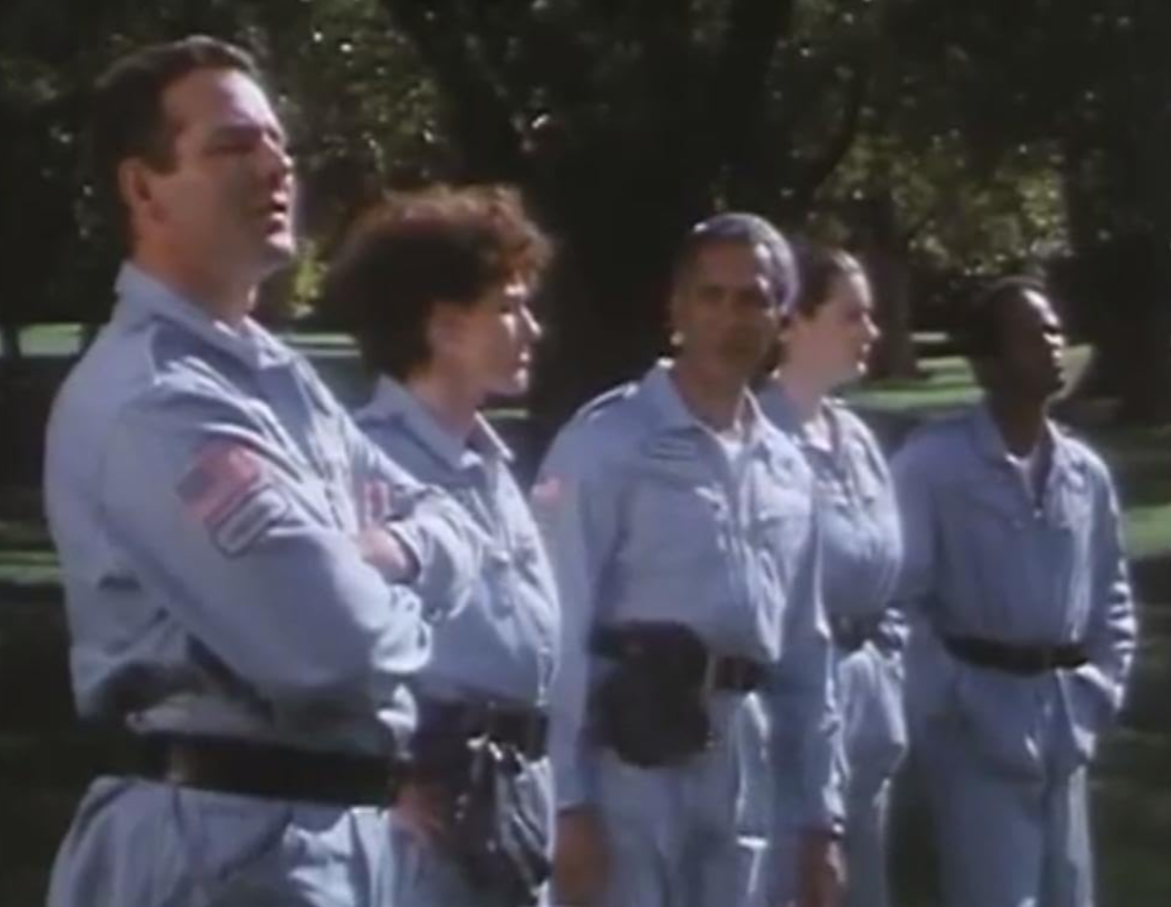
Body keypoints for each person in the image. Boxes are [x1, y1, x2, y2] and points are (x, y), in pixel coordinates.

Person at [43, 36, 486, 907]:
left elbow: (457, 525)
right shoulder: (157, 401)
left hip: (330, 835)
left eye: (278, 143)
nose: (275, 166)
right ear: (143, 188)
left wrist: (386, 551)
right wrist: (406, 584)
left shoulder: (286, 384)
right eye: (232, 146)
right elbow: (334, 650)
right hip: (221, 846)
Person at [533, 212, 843, 907]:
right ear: (676, 309)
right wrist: (568, 802)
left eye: (753, 299)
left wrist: (821, 817)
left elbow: (806, 654)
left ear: (780, 318)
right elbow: (558, 628)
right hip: (630, 760)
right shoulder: (607, 443)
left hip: (747, 758)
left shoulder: (787, 468)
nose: (731, 319)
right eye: (712, 296)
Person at [321, 185, 560, 906]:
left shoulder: (487, 463)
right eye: (508, 308)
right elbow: (323, 635)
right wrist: (389, 780)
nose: (533, 329)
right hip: (433, 809)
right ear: (445, 325)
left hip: (513, 796)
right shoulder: (368, 462)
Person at [892, 276, 1137, 907]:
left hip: (1065, 726)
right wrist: (951, 700)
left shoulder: (1084, 474)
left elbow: (1111, 592)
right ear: (989, 363)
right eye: (1032, 335)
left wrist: (1099, 690)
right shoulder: (933, 466)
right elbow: (900, 600)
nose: (1052, 345)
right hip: (976, 730)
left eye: (1055, 330)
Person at [757, 245, 905, 907]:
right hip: (791, 715)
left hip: (869, 713)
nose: (870, 330)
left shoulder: (856, 439)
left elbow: (891, 577)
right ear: (792, 322)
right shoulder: (758, 439)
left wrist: (887, 666)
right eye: (852, 315)